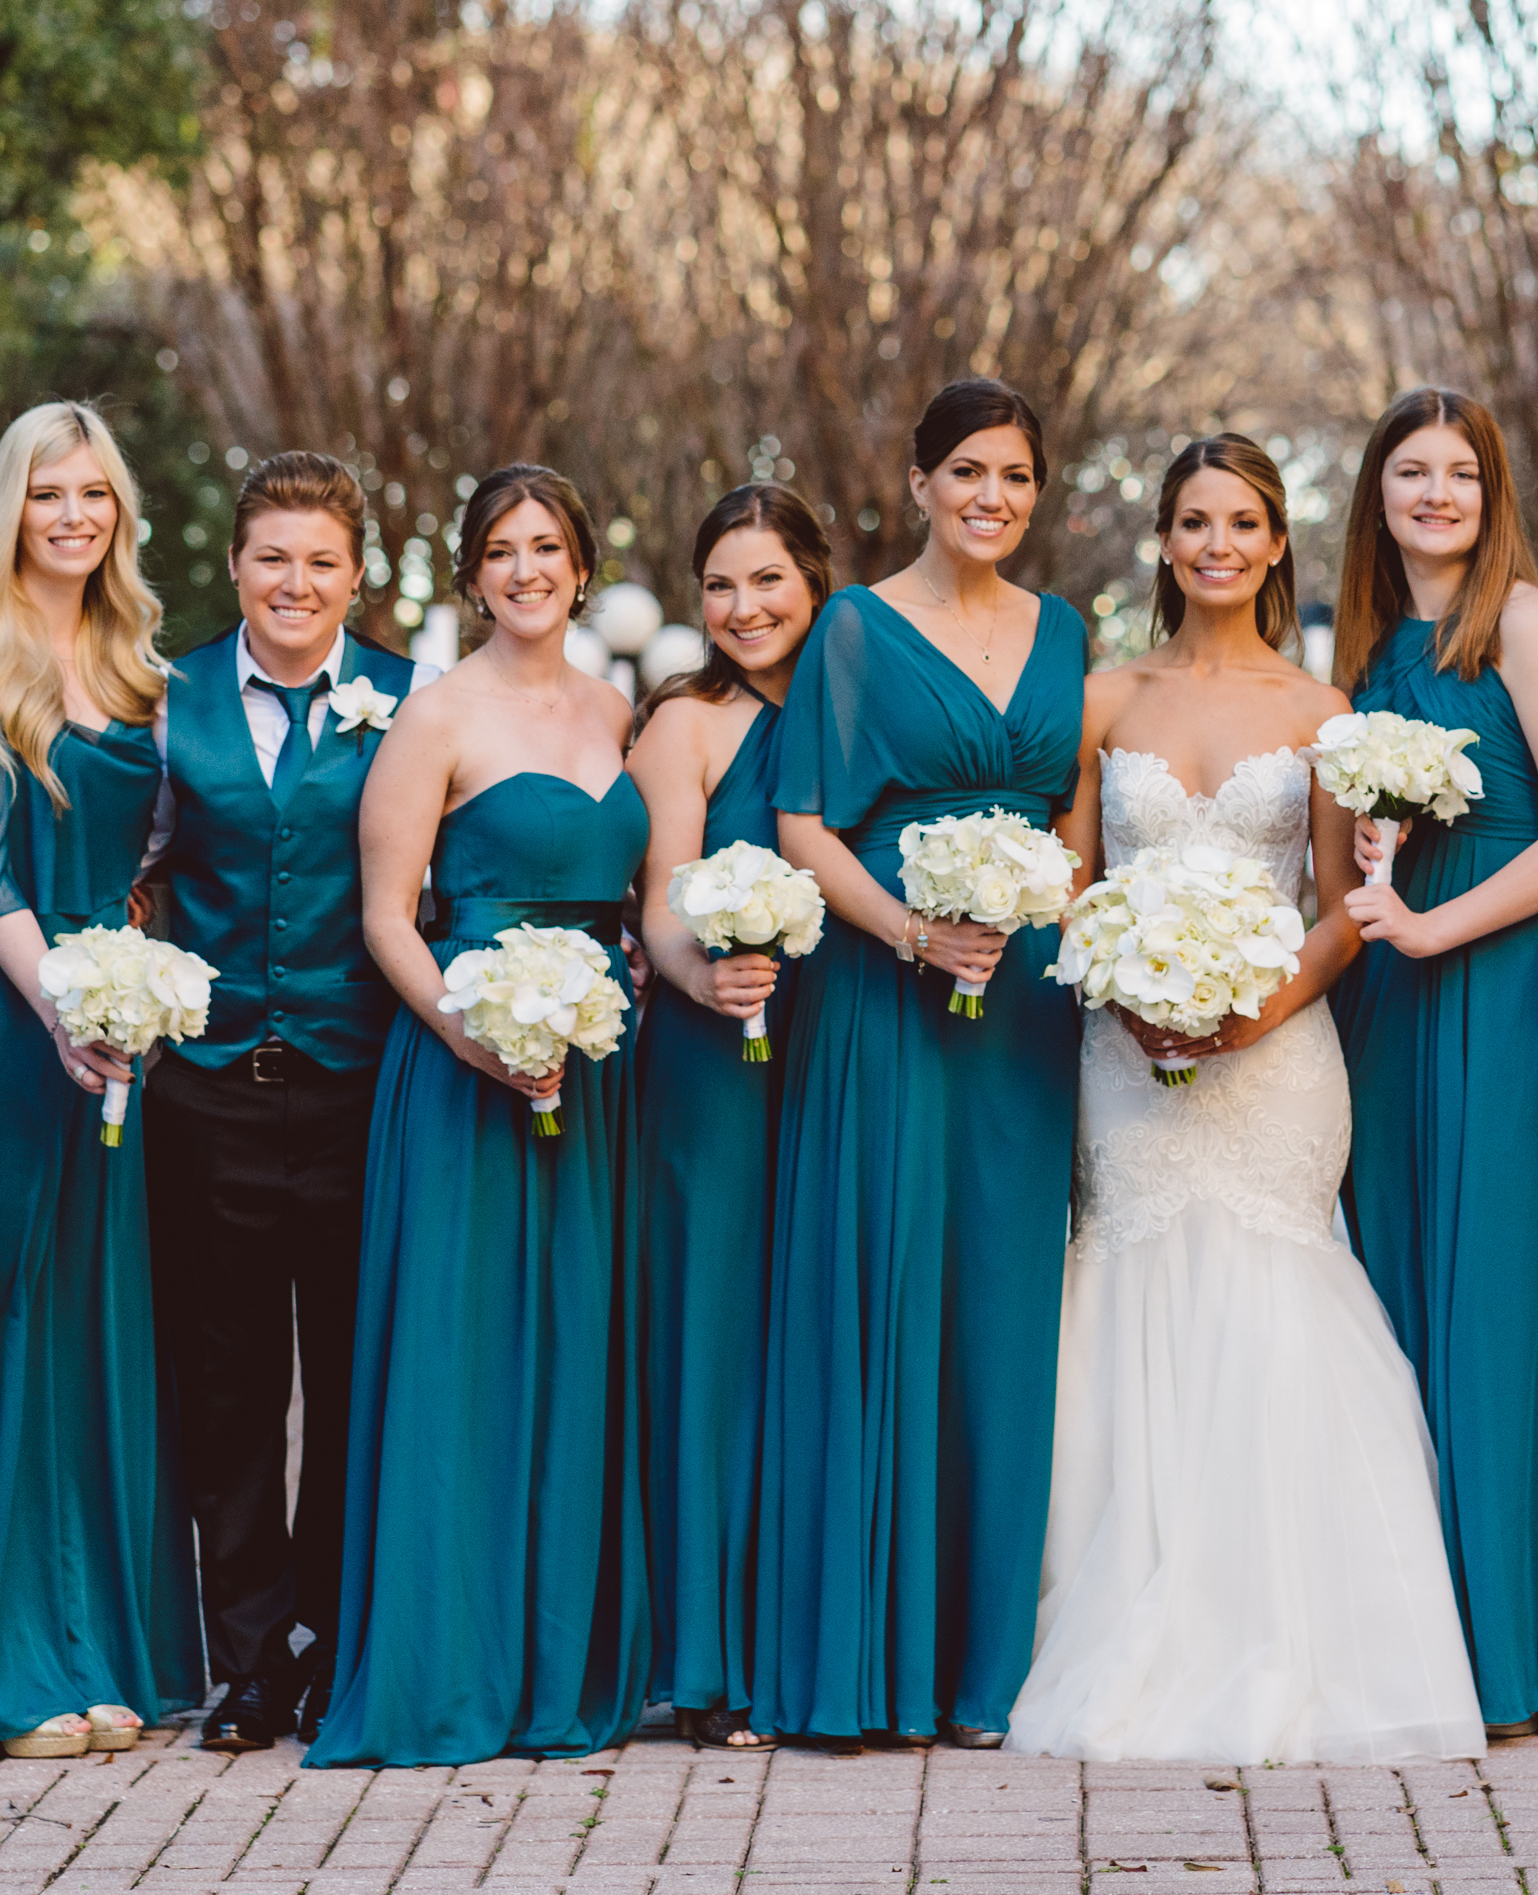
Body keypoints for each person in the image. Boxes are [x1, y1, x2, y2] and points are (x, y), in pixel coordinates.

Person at [1008, 435, 1483, 1764]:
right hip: (1126, 1049)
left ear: (1278, 543)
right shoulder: (1105, 698)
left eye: (1244, 522)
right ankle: (1126, 1612)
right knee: (1130, 1289)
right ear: (1163, 541)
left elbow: (1338, 910)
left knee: (1273, 1294)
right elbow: (1071, 879)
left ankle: (1292, 1627)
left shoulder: (1323, 707)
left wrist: (1250, 1008)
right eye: (1194, 521)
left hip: (1276, 1057)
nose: (1217, 542)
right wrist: (1127, 992)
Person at [0, 401, 203, 1756]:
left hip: (112, 1028)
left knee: (85, 1332)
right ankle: (1, 1671)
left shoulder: (138, 666)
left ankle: (91, 1640)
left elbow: (147, 862)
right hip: (9, 1032)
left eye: (95, 494)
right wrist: (61, 1005)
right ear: (10, 507)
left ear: (120, 513)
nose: (73, 514)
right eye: (48, 493)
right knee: (1, 1321)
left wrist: (132, 984)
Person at [754, 379, 1085, 1748]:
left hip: (1025, 1013)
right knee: (889, 1291)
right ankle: (870, 1662)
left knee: (1007, 1311)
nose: (989, 497)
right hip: (890, 1000)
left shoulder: (1065, 630)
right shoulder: (852, 628)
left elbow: (1071, 803)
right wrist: (905, 931)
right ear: (918, 483)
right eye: (965, 472)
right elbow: (800, 820)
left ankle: (987, 1668)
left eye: (1011, 474)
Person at [307, 465, 653, 1768]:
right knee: (461, 1358)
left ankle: (560, 1664)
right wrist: (475, 1030)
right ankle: (447, 1668)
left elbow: (636, 903)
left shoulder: (617, 706)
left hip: (596, 1071)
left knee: (575, 1346)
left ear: (579, 564)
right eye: (500, 550)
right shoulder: (433, 716)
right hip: (463, 1070)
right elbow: (387, 915)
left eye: (547, 546)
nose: (525, 569)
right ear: (470, 576)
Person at [1332, 388, 1538, 1736]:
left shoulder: (1524, 619)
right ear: (1376, 492)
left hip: (1506, 986)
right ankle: (1406, 1643)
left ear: (1491, 489)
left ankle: (1502, 1657)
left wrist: (1434, 923)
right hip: (1387, 995)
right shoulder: (1355, 640)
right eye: (1411, 471)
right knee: (1393, 1299)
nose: (1436, 493)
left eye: (1460, 471)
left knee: (1491, 1307)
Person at [138, 451, 426, 1750]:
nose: (293, 582)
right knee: (231, 1385)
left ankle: (324, 1634)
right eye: (271, 557)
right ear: (236, 566)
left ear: (356, 575)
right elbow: (131, 871)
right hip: (209, 1097)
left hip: (361, 1090)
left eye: (320, 560)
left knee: (355, 1373)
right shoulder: (166, 699)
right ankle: (248, 1657)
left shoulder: (409, 700)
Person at [627, 484, 829, 1752]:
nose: (744, 607)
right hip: (713, 1058)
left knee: (810, 1334)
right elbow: (656, 901)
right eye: (720, 584)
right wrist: (703, 975)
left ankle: (809, 1635)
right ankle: (705, 1658)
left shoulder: (858, 712)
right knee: (713, 1338)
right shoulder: (685, 723)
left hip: (838, 1050)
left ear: (815, 581)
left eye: (768, 580)